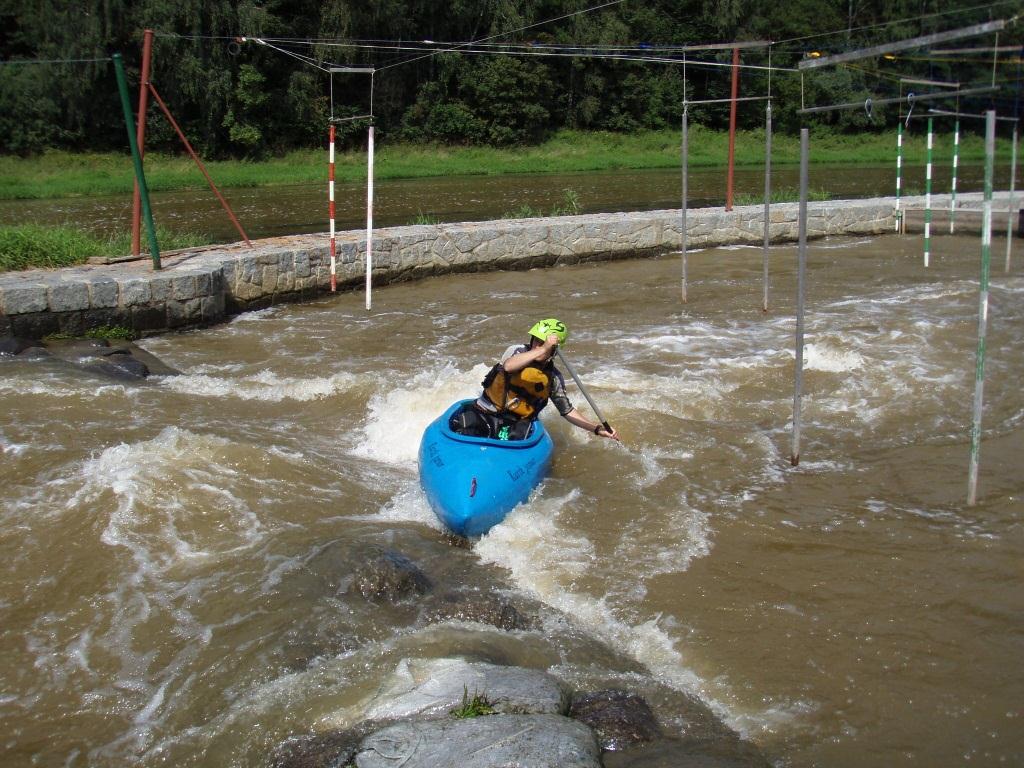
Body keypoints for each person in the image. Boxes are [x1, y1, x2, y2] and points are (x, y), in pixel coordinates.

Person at [450, 318, 621, 442]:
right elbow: (508, 367)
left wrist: (597, 429)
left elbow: (567, 411)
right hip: (483, 413)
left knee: (521, 434)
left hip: (513, 426)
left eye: (544, 344)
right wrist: (543, 349)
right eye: (536, 341)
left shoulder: (553, 378)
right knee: (466, 425)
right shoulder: (515, 351)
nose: (538, 346)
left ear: (555, 351)